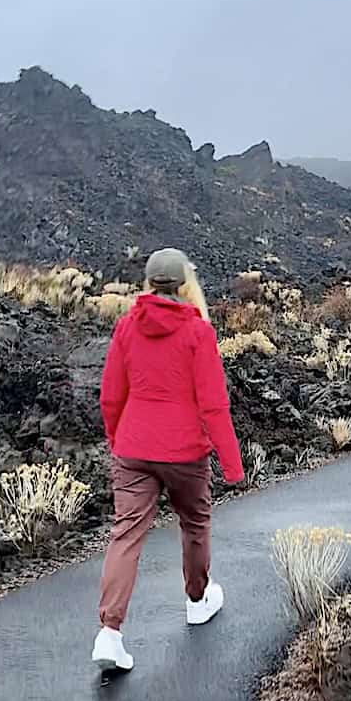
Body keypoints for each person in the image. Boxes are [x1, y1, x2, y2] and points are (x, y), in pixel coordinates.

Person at [91, 248, 244, 672]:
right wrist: (232, 466)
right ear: (184, 284)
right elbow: (214, 405)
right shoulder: (198, 332)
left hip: (133, 449)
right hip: (185, 453)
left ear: (148, 284)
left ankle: (110, 632)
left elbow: (110, 395)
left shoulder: (126, 327)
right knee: (195, 523)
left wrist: (116, 438)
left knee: (126, 536)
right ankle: (197, 600)